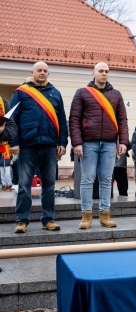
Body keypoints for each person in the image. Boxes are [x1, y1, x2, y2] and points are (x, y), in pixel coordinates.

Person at [69, 62, 129, 229]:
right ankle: (86, 215)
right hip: (88, 143)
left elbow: (122, 120)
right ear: (93, 73)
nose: (104, 74)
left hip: (110, 144)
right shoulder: (82, 93)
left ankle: (105, 214)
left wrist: (123, 141)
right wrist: (76, 143)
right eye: (101, 71)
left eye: (107, 71)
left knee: (106, 180)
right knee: (87, 179)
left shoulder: (116, 95)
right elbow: (74, 119)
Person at [10, 62, 68, 233]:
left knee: (49, 185)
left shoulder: (55, 93)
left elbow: (62, 120)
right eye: (39, 70)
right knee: (24, 184)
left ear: (48, 74)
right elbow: (12, 119)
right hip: (28, 146)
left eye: (45, 71)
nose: (42, 73)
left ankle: (48, 219)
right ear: (32, 72)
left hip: (50, 146)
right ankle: (22, 220)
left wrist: (62, 143)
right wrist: (14, 142)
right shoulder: (21, 92)